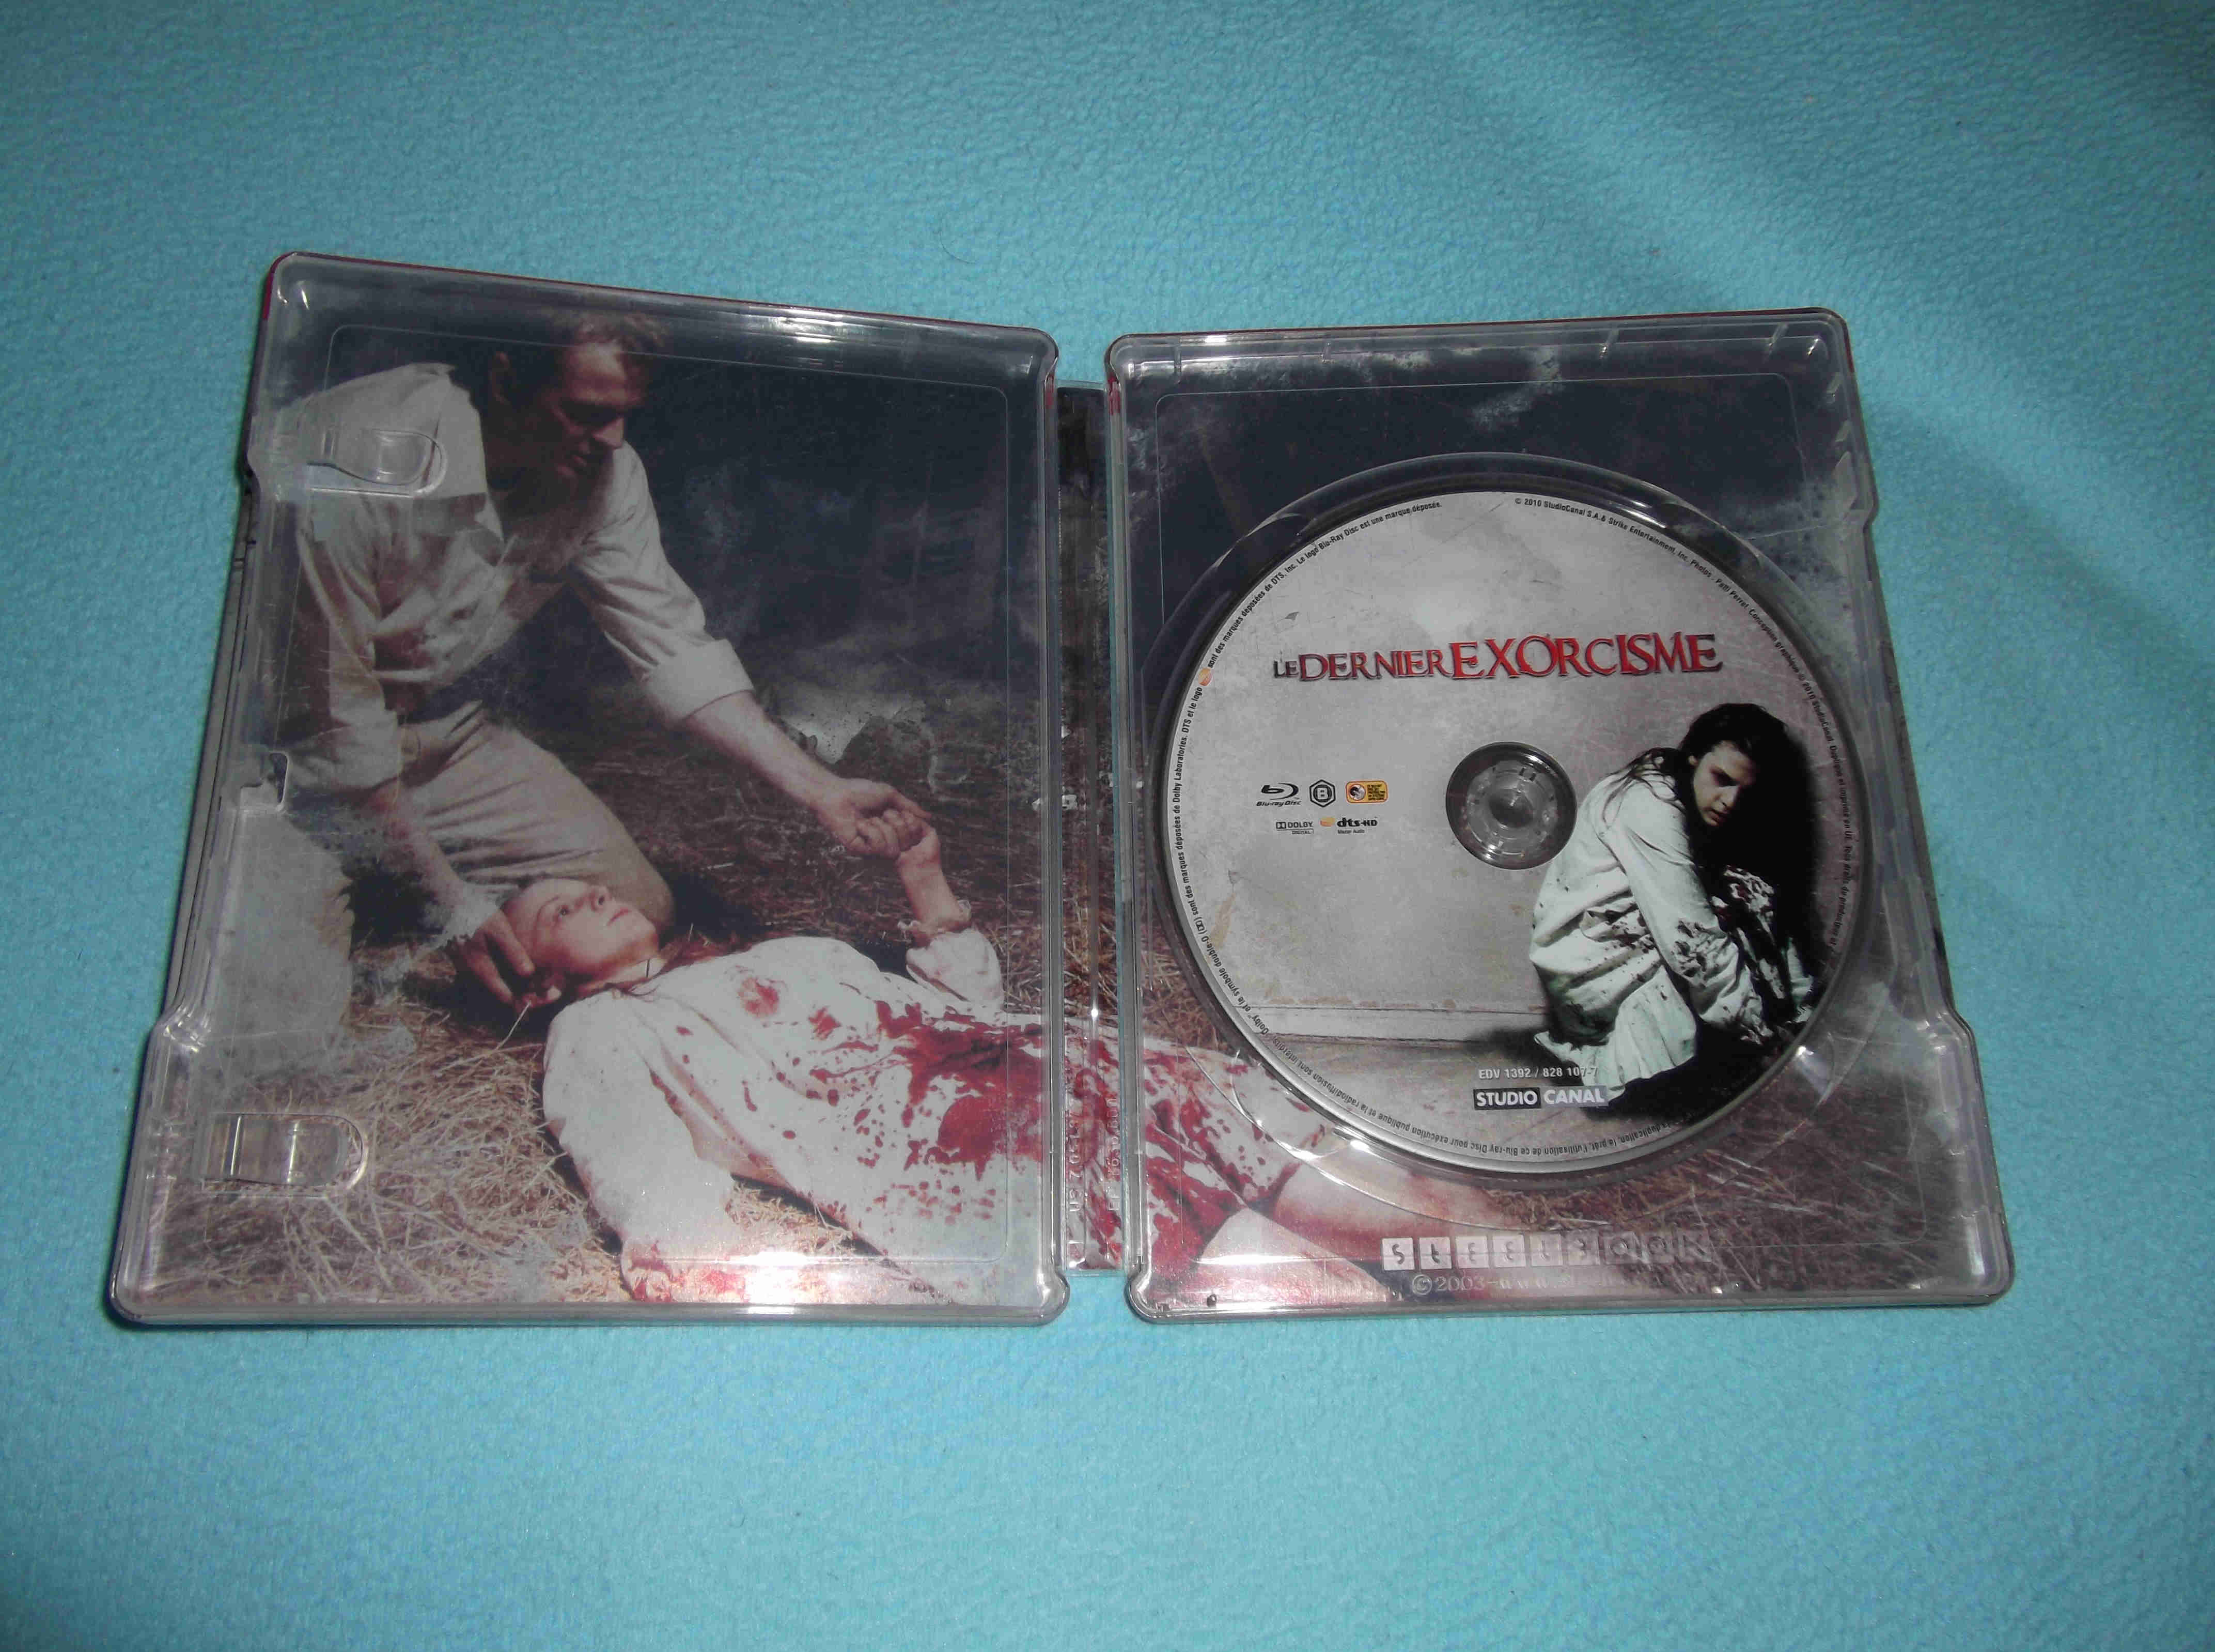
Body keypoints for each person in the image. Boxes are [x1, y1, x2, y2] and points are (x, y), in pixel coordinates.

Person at [270, 311, 924, 1011]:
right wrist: (447, 904)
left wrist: (821, 790)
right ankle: (356, 888)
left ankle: (388, 877)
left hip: (432, 736)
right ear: (505, 380)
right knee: (275, 1011)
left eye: (625, 415)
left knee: (639, 905)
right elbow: (335, 723)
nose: (612, 440)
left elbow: (673, 646)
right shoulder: (352, 457)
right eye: (587, 413)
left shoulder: (606, 473)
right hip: (280, 759)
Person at [508, 826, 1453, 1306]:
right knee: (1314, 1299)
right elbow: (641, 1175)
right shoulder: (598, 1034)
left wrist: (923, 878)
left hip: (1085, 1069)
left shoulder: (787, 953)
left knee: (1423, 1217)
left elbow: (964, 1007)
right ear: (540, 980)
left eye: (584, 886)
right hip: (988, 1154)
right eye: (559, 913)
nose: (591, 896)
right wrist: (723, 1275)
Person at [1527, 703, 1820, 1118]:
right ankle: (1756, 1038)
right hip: (1586, 966)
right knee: (1714, 929)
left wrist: (1801, 1013)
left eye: (1746, 791)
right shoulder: (1650, 805)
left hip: (1617, 938)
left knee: (1749, 891)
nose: (1731, 802)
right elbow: (1692, 942)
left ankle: (1789, 1023)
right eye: (1722, 779)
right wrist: (1764, 1034)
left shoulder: (1681, 790)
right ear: (1694, 757)